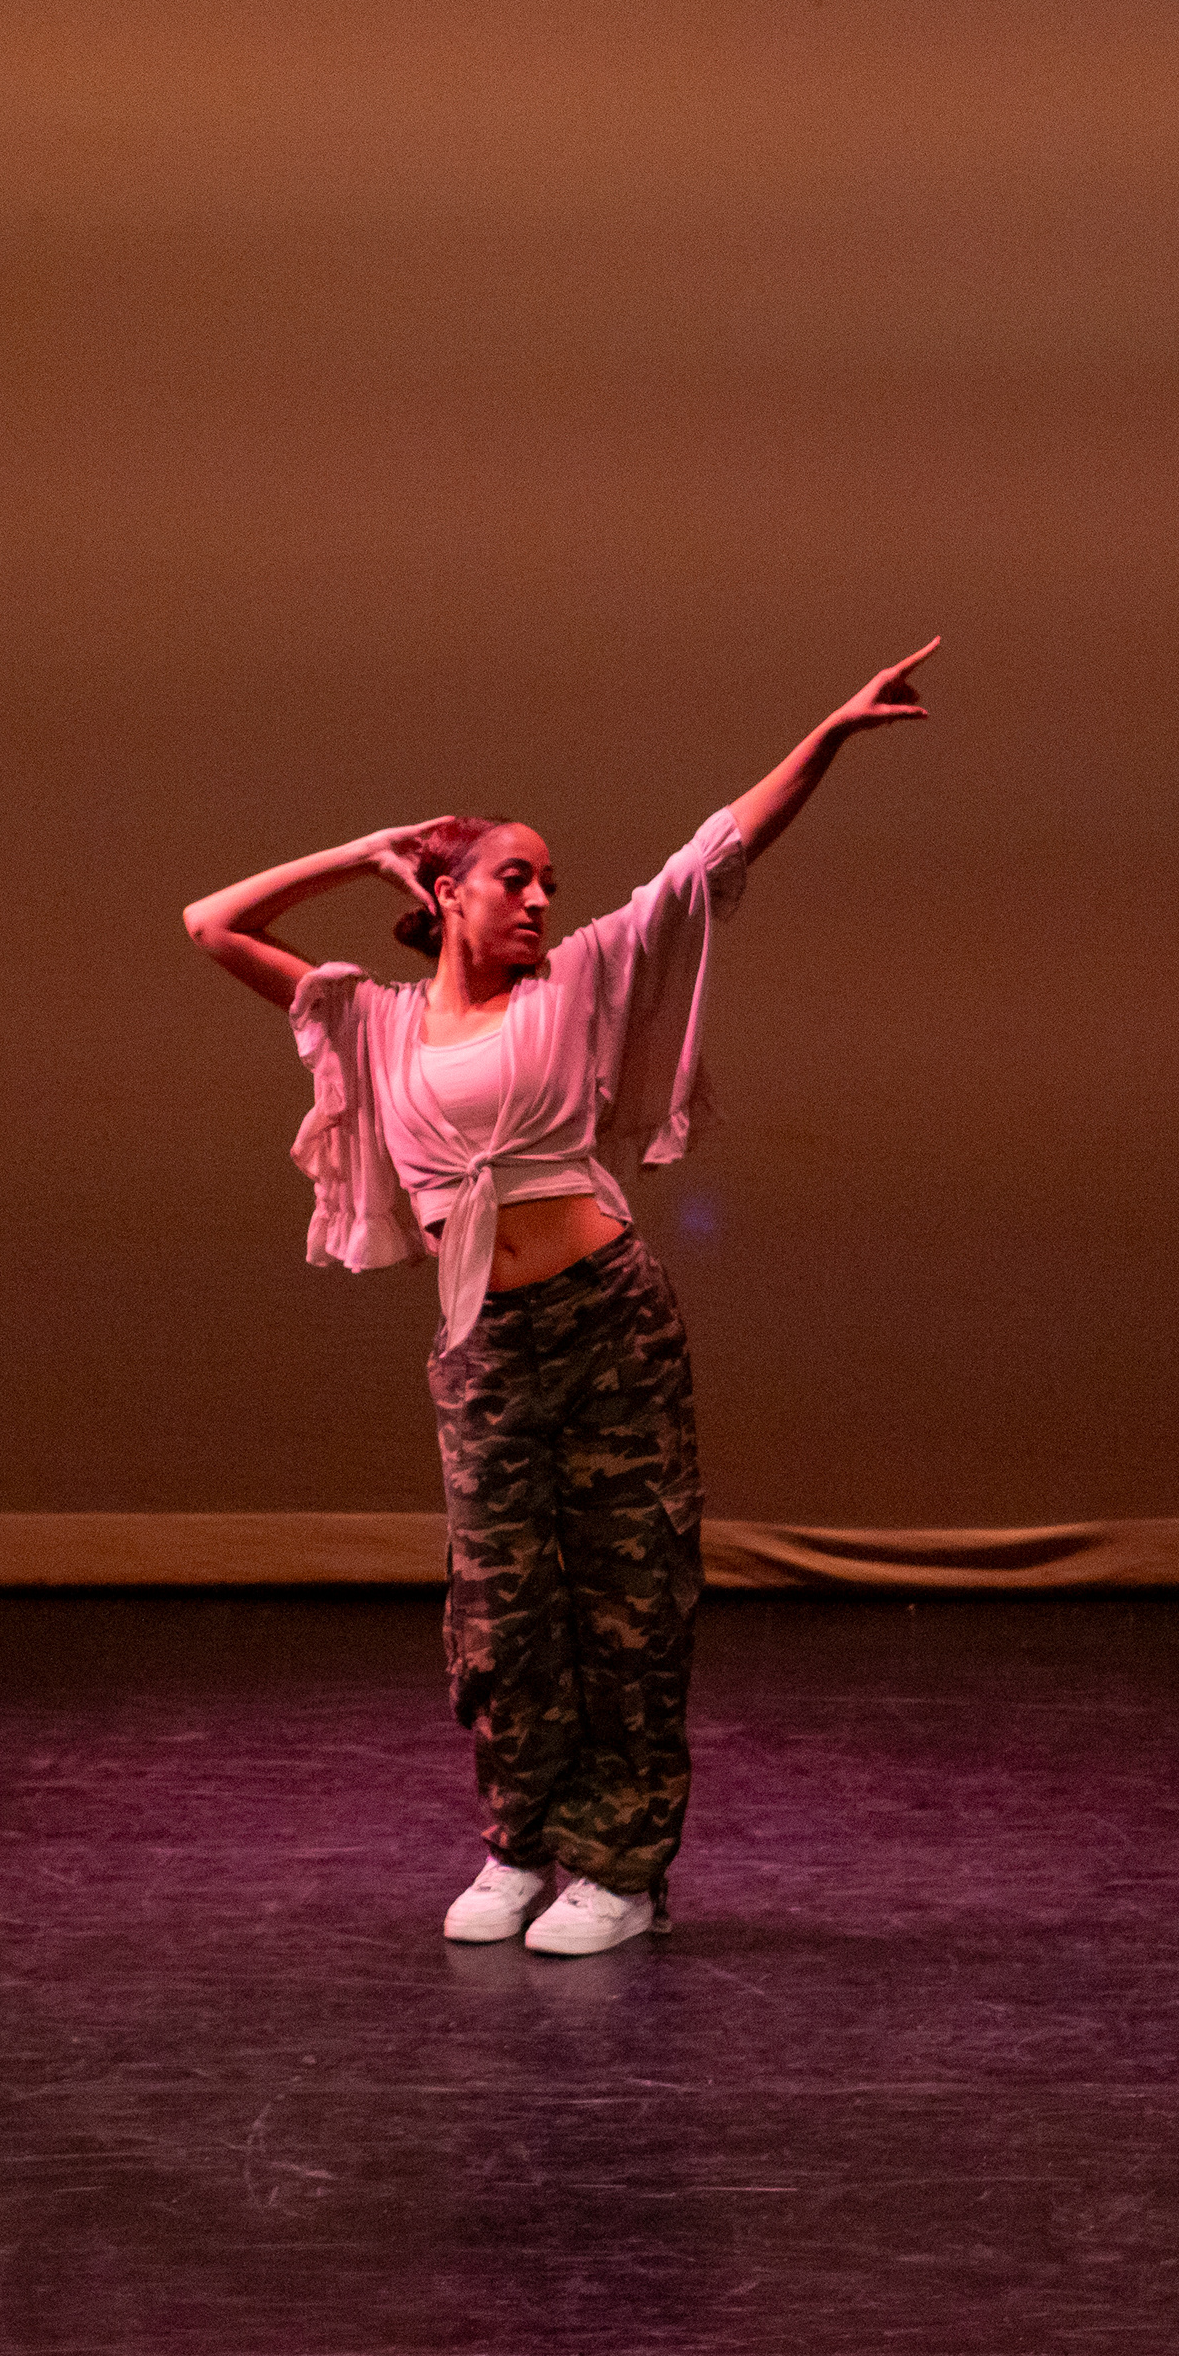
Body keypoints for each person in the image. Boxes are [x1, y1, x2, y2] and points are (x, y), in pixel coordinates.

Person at [181, 642, 935, 1957]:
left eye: (548, 882)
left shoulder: (576, 985)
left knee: (629, 1594)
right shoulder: (373, 1021)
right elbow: (212, 923)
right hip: (484, 1342)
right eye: (513, 877)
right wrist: (363, 851)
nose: (538, 898)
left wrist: (828, 732)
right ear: (447, 895)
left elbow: (710, 856)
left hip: (608, 1321)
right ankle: (522, 1842)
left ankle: (623, 1866)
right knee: (501, 1608)